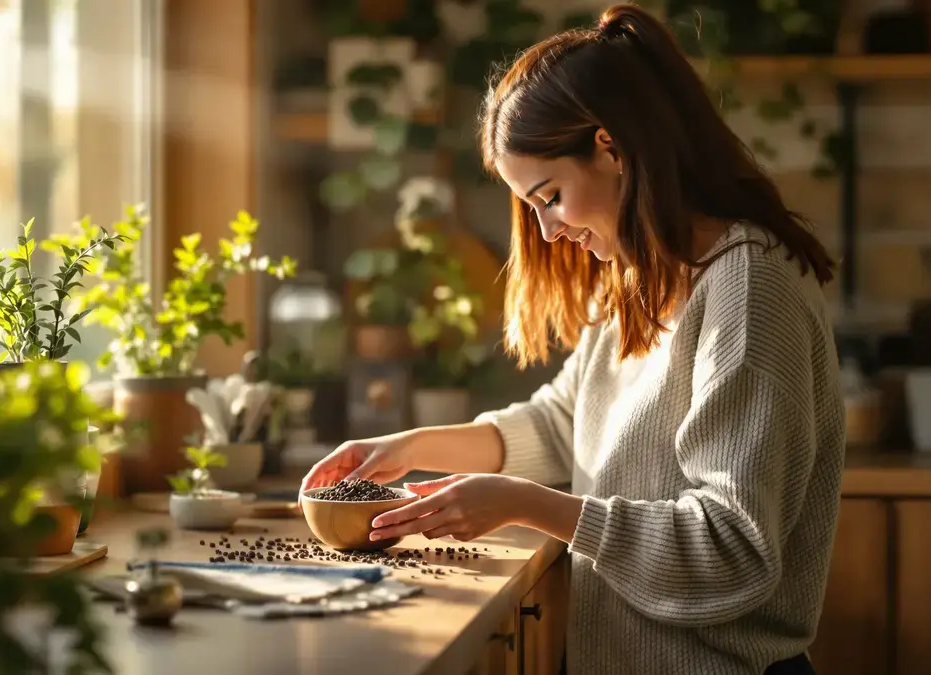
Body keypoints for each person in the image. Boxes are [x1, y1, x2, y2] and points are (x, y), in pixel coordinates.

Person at [301, 5, 844, 675]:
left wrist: (524, 503)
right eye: (533, 206)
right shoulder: (632, 276)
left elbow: (730, 549)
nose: (550, 231)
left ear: (611, 147)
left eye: (551, 195)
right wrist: (408, 449)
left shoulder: (750, 288)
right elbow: (565, 424)